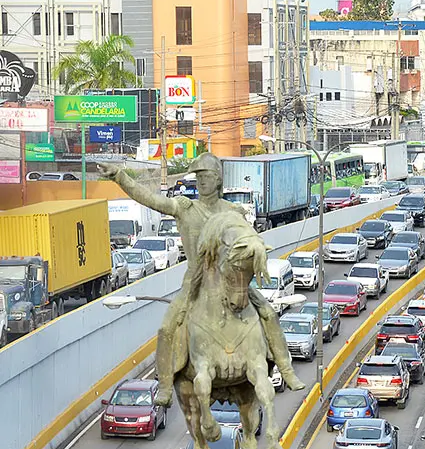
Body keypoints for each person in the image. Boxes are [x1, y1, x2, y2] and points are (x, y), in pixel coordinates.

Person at [98, 156, 306, 406]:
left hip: (231, 281)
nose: (202, 182)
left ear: (218, 180)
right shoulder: (184, 208)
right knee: (167, 328)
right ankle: (164, 384)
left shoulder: (233, 212)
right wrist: (120, 175)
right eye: (198, 177)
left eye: (207, 176)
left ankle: (285, 368)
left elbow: (247, 240)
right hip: (195, 282)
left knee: (268, 313)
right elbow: (150, 199)